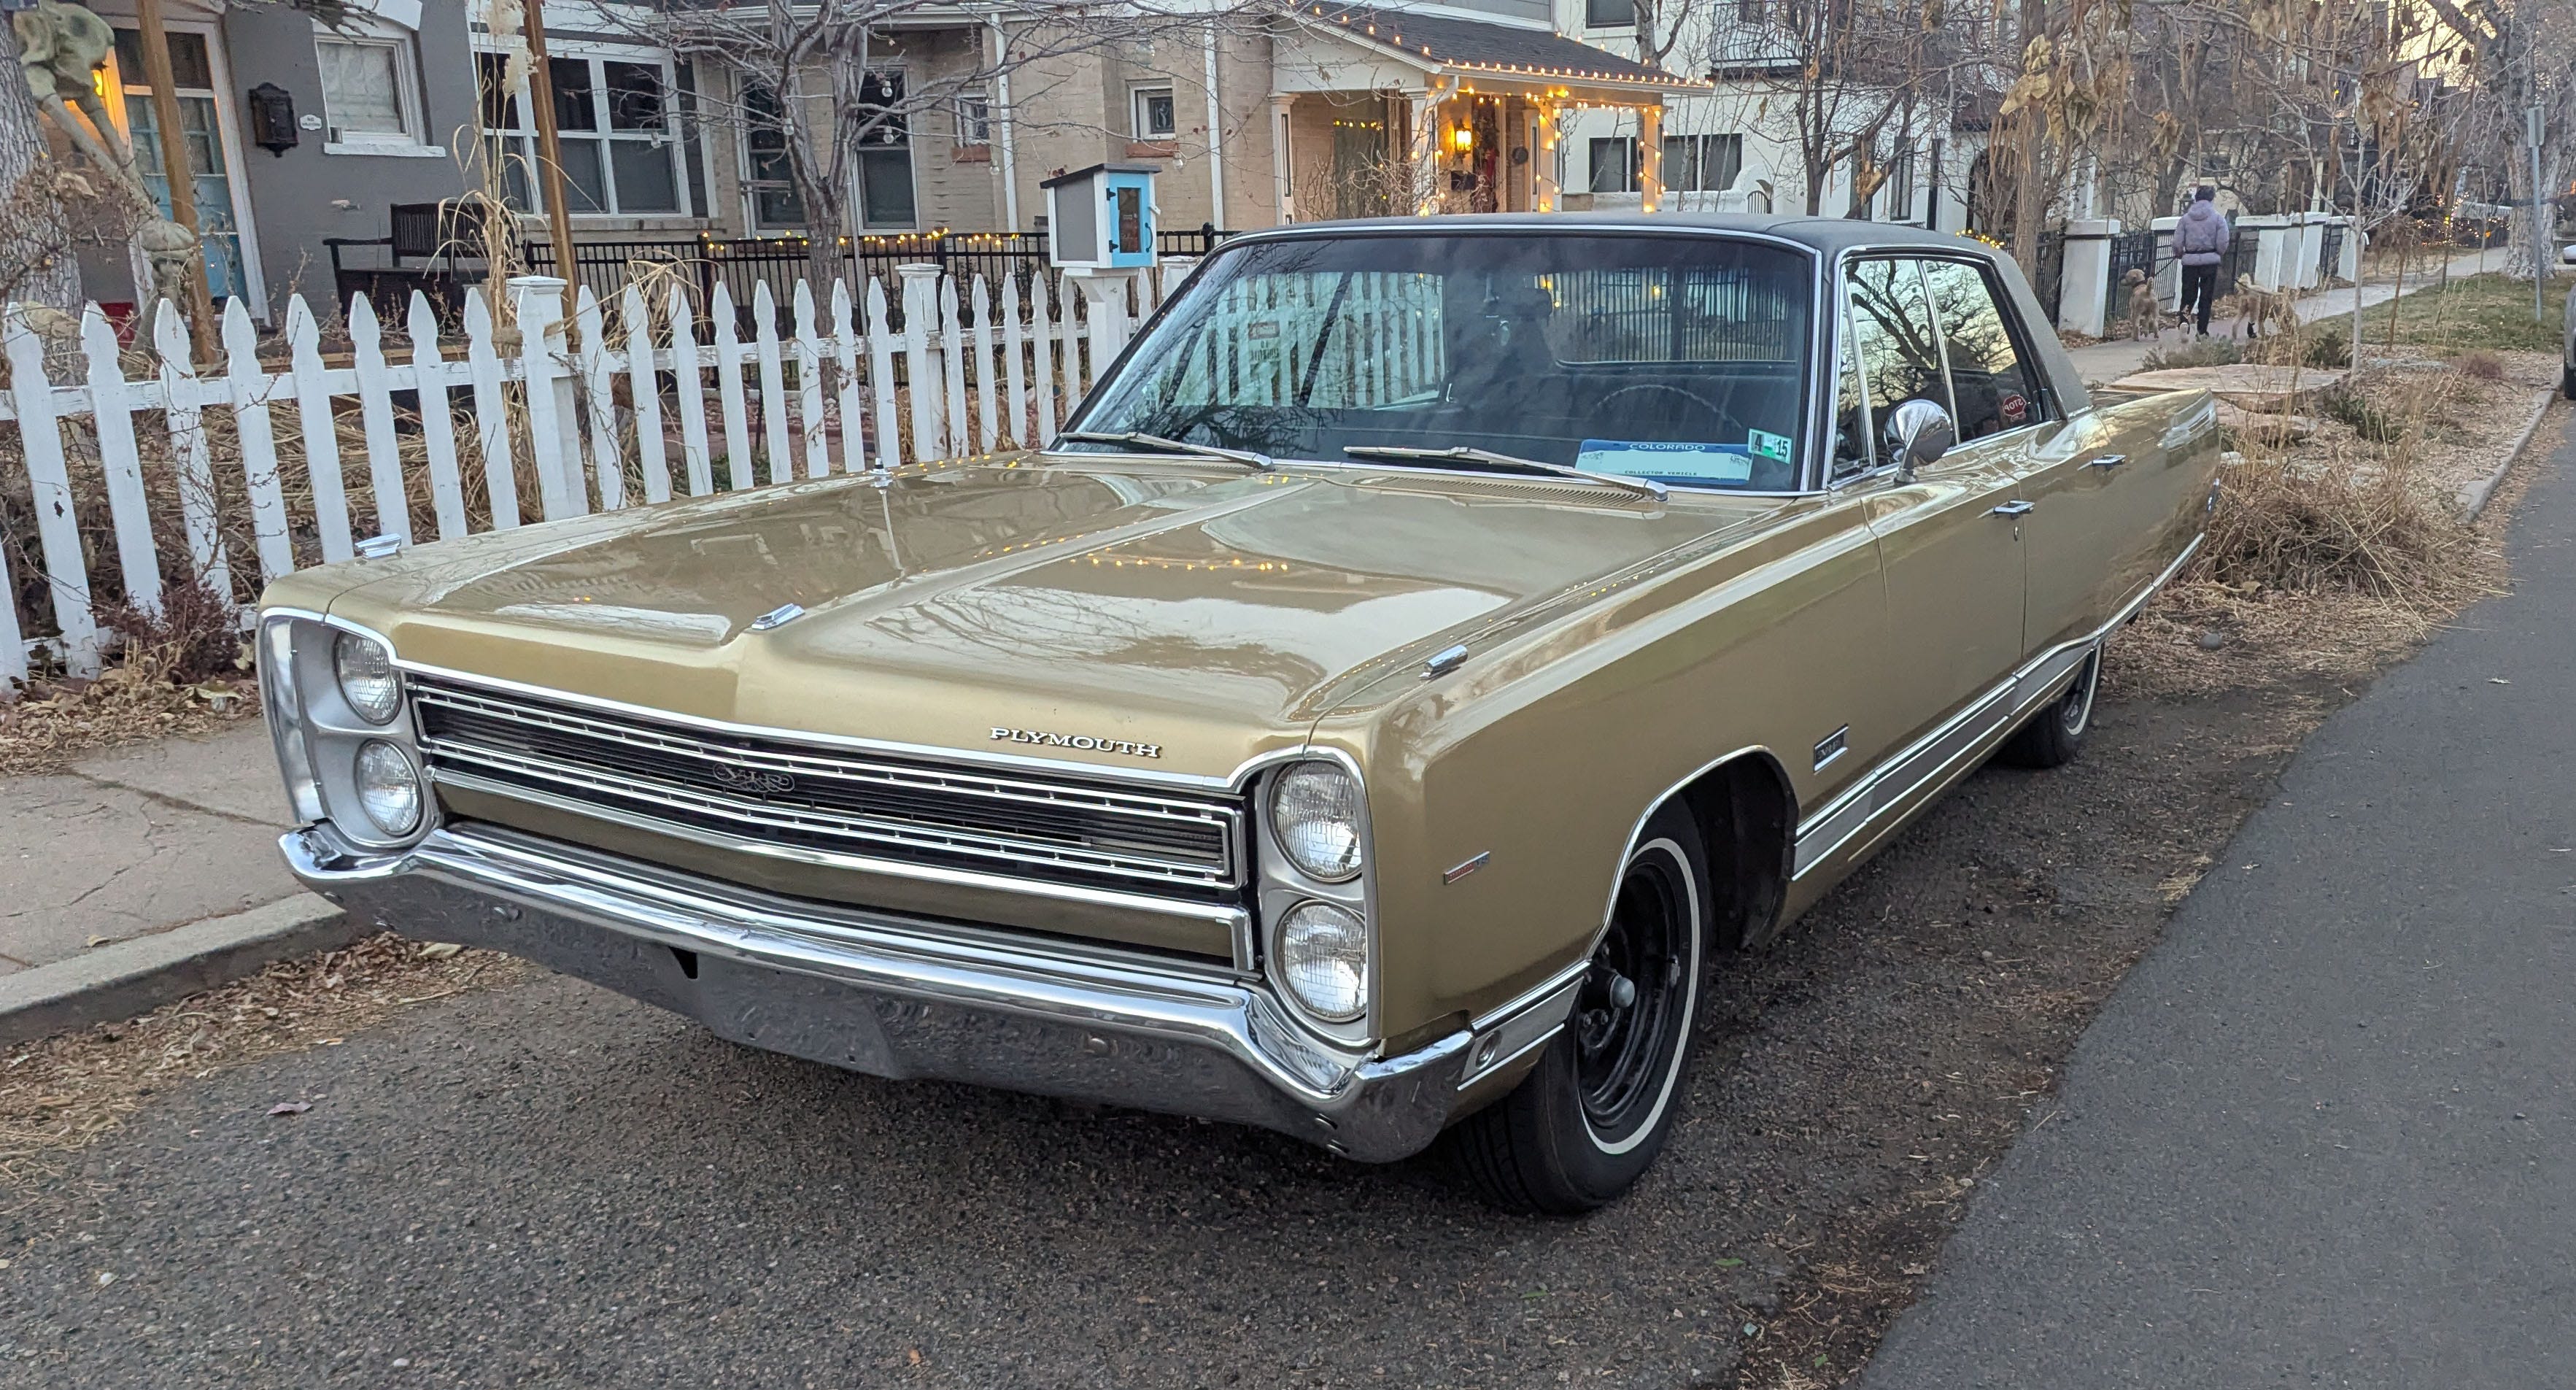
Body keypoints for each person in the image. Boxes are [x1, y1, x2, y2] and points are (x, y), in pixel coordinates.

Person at [2172, 188, 2230, 336]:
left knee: (2188, 295)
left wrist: (2180, 254)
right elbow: (2223, 242)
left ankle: (2184, 320)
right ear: (2212, 199)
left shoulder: (2185, 219)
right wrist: (2218, 253)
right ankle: (2202, 330)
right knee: (2206, 297)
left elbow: (2178, 242)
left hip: (2190, 262)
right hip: (2209, 262)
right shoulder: (2218, 219)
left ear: (2196, 199)